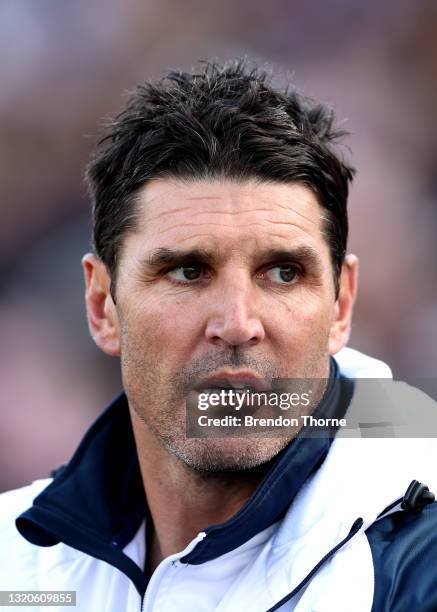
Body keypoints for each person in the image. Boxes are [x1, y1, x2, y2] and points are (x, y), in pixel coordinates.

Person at [1, 59, 437, 612]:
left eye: (283, 273)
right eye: (188, 271)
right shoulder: (15, 566)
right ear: (102, 305)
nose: (236, 324)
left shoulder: (415, 569)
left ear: (341, 304)